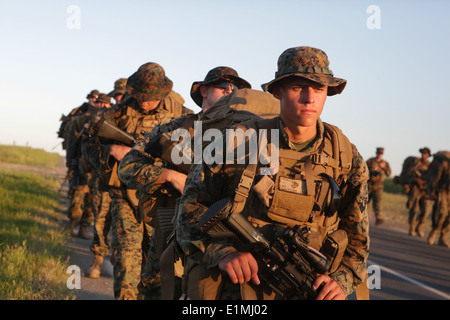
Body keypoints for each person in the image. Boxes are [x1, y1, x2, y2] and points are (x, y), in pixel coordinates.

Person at [176, 46, 370, 300]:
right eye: (298, 87)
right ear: (277, 91)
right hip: (240, 292)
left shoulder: (345, 156)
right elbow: (189, 214)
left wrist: (340, 282)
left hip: (309, 290)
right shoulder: (236, 142)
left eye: (319, 89)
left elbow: (358, 239)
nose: (310, 98)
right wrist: (222, 254)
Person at [118, 66, 253, 299]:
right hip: (172, 230)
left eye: (236, 89)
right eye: (223, 87)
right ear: (204, 91)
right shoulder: (177, 128)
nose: (230, 92)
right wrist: (169, 176)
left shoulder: (250, 134)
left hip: (224, 239)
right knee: (156, 292)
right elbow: (127, 167)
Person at [87, 63, 191, 299]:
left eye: (150, 97)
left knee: (160, 271)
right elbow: (89, 148)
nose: (143, 102)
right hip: (126, 196)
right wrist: (110, 150)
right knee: (127, 262)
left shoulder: (182, 116)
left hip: (164, 201)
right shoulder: (118, 113)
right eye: (140, 96)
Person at [60, 89, 99, 238]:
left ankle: (84, 227)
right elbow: (72, 142)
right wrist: (71, 162)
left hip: (94, 168)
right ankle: (72, 224)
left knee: (91, 200)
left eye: (98, 99)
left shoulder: (107, 116)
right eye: (93, 98)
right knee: (76, 196)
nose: (95, 101)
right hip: (79, 164)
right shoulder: (80, 116)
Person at [396, 147, 433, 236]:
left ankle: (419, 226)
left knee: (426, 210)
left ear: (428, 155)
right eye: (423, 153)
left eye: (426, 153)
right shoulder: (415, 163)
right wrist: (416, 179)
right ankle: (412, 227)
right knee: (414, 209)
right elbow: (410, 173)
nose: (424, 155)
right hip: (415, 188)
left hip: (425, 190)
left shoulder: (430, 165)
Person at [426, 151, 450, 247]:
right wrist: (432, 190)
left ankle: (442, 237)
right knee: (442, 212)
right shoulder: (444, 164)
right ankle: (434, 231)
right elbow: (436, 178)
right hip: (443, 191)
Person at [366, 147, 391, 225]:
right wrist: (371, 171)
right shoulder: (370, 161)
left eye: (381, 153)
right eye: (378, 153)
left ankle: (378, 218)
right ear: (376, 153)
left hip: (378, 186)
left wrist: (383, 168)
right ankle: (363, 217)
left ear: (382, 154)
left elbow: (389, 174)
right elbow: (363, 170)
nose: (379, 155)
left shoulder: (385, 163)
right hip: (369, 185)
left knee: (377, 203)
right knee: (365, 201)